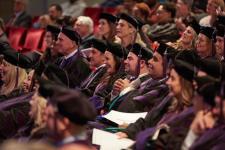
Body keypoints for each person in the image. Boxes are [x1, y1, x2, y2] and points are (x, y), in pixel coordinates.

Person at [107, 43, 153, 112]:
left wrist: (127, 90)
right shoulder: (127, 79)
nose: (125, 61)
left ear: (142, 63)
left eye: (130, 59)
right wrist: (115, 93)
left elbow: (136, 109)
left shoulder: (148, 84)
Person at [90, 42, 127, 110]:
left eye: (107, 59)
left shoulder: (122, 80)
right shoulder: (107, 76)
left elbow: (105, 101)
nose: (104, 62)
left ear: (118, 60)